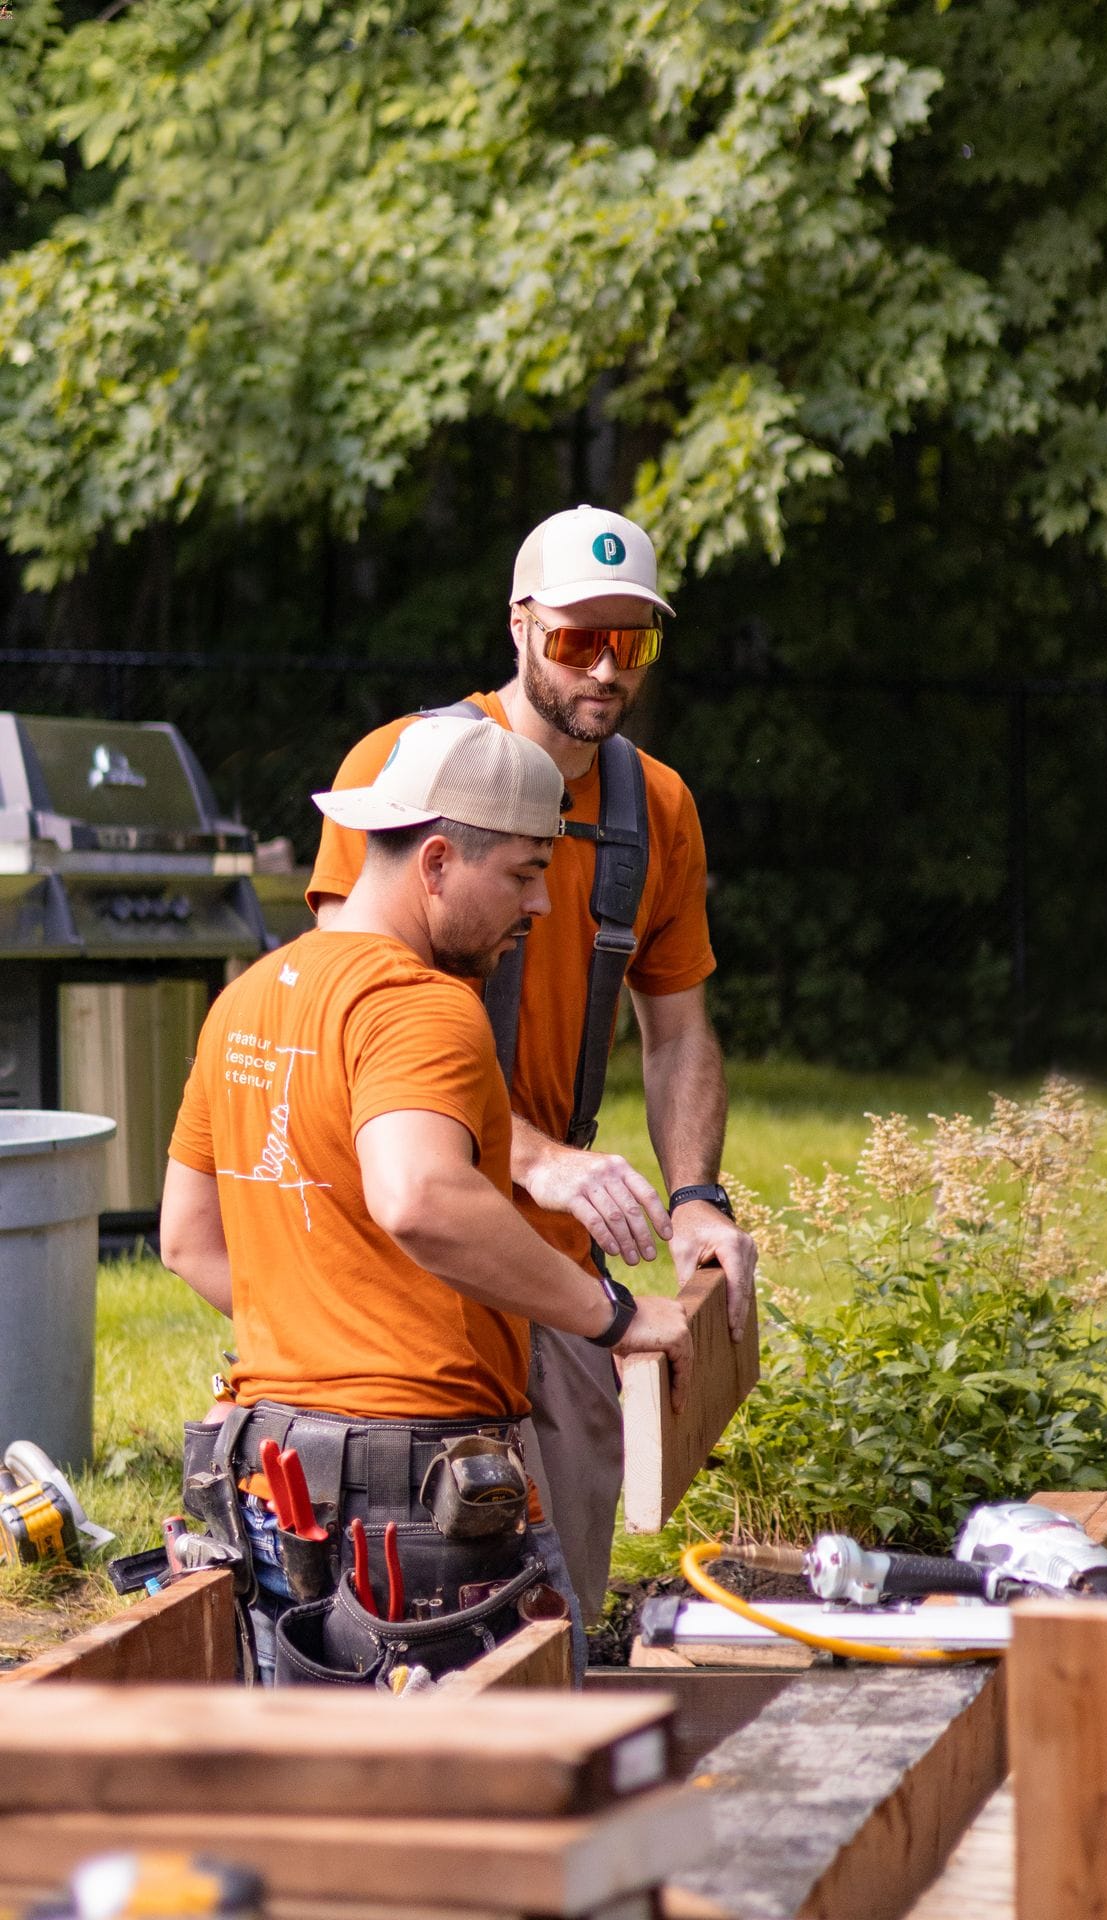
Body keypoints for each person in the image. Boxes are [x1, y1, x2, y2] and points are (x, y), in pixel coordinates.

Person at [160, 714, 692, 1681]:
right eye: (525, 875)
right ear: (438, 860)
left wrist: (330, 1324)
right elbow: (420, 1199)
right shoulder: (420, 1006)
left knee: (328, 1784)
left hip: (269, 1463)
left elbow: (187, 1241)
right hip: (416, 1497)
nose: (537, 908)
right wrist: (613, 1316)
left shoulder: (248, 998)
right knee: (516, 1780)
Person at [307, 504, 757, 1622]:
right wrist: (538, 1157)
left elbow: (679, 1032)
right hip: (395, 1249)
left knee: (555, 1611)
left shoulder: (656, 812)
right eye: (575, 638)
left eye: (632, 642)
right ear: (518, 625)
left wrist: (695, 1196)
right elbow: (338, 1029)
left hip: (555, 1275)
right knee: (395, 1612)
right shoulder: (398, 770)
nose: (605, 668)